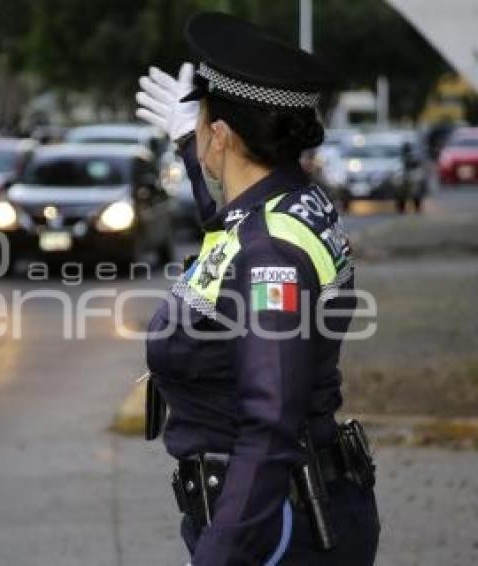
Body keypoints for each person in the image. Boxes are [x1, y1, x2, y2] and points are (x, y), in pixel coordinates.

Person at [135, 12, 379, 565]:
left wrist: (219, 554)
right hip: (286, 512)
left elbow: (270, 427)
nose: (195, 131)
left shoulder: (272, 254)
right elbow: (230, 235)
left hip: (276, 531)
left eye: (200, 124)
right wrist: (187, 147)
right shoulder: (289, 204)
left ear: (219, 135)